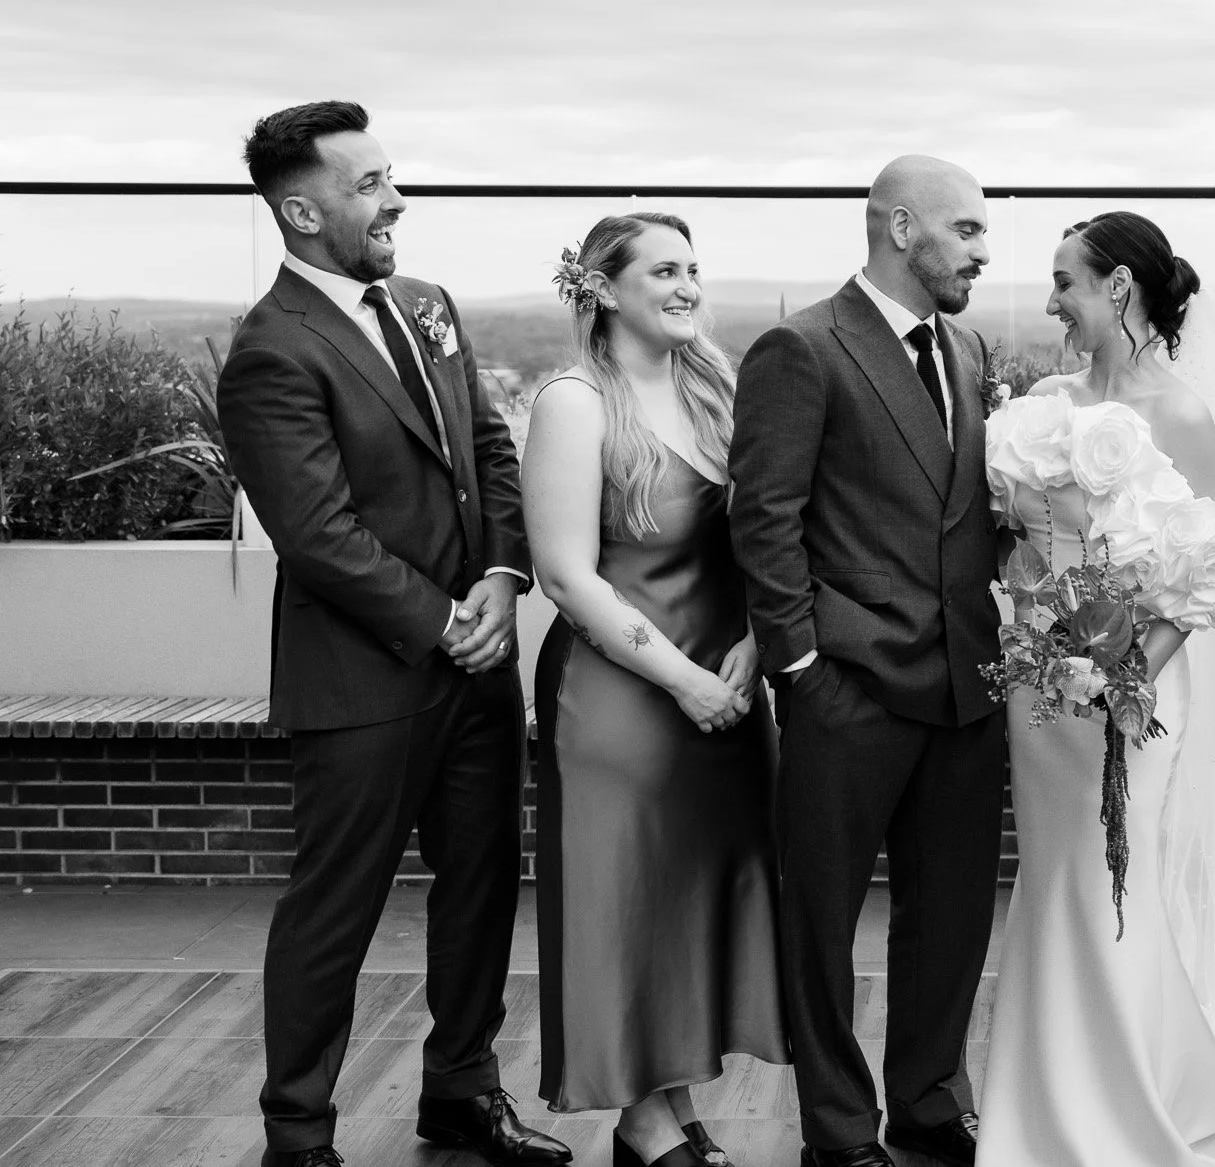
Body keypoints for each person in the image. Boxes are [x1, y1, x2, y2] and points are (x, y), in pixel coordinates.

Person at [217, 101, 569, 1167]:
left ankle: (461, 1092)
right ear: (300, 209)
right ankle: (299, 1134)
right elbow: (317, 534)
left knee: (478, 890)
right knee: (335, 910)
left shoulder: (428, 304)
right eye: (367, 183)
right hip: (361, 684)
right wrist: (440, 622)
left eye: (387, 176)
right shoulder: (271, 353)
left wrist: (502, 583)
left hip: (477, 666)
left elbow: (491, 451)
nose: (394, 199)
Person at [977, 211, 1215, 1167]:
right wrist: (1036, 630)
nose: (1050, 299)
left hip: (1134, 691)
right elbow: (1017, 539)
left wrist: (1122, 673)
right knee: (1054, 879)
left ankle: (1124, 1116)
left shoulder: (1186, 415)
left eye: (1066, 280)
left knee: (1116, 876)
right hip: (1042, 684)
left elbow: (1208, 576)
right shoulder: (1048, 400)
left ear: (1118, 289)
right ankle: (1047, 1102)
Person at [727, 156, 1005, 1167]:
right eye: (966, 230)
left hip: (966, 692)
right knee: (822, 928)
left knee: (950, 922)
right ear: (899, 226)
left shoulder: (968, 349)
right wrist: (799, 668)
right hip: (846, 692)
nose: (982, 249)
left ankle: (929, 1101)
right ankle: (838, 1132)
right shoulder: (800, 349)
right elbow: (763, 518)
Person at [522, 213, 788, 1167]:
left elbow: (768, 532)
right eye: (663, 270)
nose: (687, 286)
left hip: (725, 685)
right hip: (625, 695)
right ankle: (639, 1115)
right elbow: (565, 575)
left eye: (694, 269)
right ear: (603, 287)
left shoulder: (715, 386)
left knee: (685, 900)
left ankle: (668, 1097)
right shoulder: (573, 402)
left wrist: (757, 643)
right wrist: (680, 680)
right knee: (623, 895)